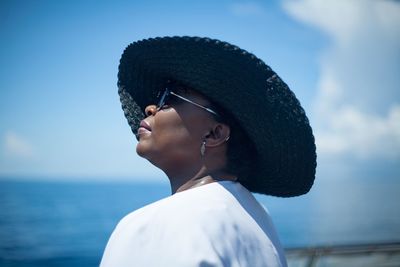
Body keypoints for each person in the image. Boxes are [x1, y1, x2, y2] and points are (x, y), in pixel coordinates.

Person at [100, 36, 316, 267]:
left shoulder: (148, 227)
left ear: (214, 134)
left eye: (170, 98)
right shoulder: (258, 220)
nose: (150, 107)